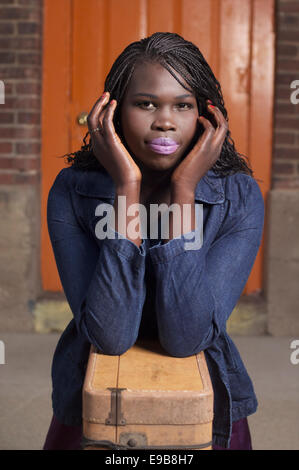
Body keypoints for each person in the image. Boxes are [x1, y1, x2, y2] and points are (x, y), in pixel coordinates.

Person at [43, 32, 264, 450]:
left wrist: (184, 188)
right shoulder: (72, 192)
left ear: (206, 115)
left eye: (183, 105)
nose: (165, 121)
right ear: (111, 112)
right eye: (146, 104)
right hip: (96, 404)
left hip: (203, 406)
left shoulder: (238, 198)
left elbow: (186, 336)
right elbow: (110, 335)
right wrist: (126, 186)